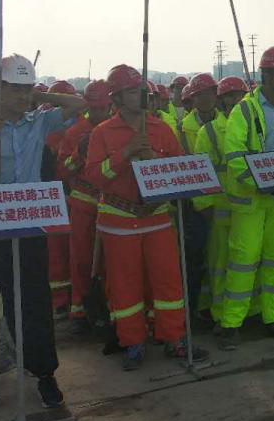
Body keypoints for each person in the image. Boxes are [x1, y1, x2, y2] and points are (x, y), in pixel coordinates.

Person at [0, 54, 88, 418]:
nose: (21, 95)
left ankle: (44, 374)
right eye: (13, 88)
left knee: (32, 302)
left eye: (26, 87)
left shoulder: (39, 121)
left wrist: (39, 95)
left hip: (28, 225)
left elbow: (80, 105)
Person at [83, 64, 206, 370]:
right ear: (116, 98)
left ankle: (174, 337)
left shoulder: (161, 129)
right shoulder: (102, 133)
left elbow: (180, 171)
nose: (139, 97)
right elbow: (95, 177)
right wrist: (124, 154)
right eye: (130, 92)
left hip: (157, 216)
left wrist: (153, 160)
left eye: (141, 91)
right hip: (119, 217)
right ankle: (132, 342)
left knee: (168, 281)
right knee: (125, 285)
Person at [220, 47, 274, 349]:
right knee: (243, 260)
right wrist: (259, 183)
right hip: (251, 201)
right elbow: (234, 157)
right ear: (267, 76)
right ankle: (232, 323)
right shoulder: (244, 111)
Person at [56, 80, 112, 334]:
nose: (99, 113)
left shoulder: (117, 129)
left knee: (112, 262)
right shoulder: (74, 133)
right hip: (83, 203)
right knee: (80, 259)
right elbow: (62, 171)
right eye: (94, 108)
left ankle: (110, 308)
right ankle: (79, 310)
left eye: (103, 108)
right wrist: (78, 154)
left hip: (112, 202)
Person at [192, 75, 244, 328]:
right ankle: (220, 314)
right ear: (222, 101)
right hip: (221, 212)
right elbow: (201, 173)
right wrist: (205, 206)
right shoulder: (209, 132)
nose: (235, 101)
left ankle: (248, 311)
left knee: (245, 264)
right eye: (230, 97)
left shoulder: (252, 127)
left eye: (239, 96)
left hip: (248, 210)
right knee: (220, 265)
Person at [174, 73, 223, 319]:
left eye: (210, 93)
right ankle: (193, 310)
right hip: (193, 203)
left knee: (222, 257)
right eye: (200, 95)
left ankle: (214, 306)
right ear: (192, 99)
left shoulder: (228, 122)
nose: (206, 99)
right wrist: (201, 203)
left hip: (224, 199)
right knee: (195, 257)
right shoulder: (182, 129)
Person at [44, 80, 77, 317]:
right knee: (56, 253)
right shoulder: (44, 126)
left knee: (75, 251)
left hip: (77, 196)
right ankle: (59, 300)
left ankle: (73, 299)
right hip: (52, 195)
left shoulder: (83, 127)